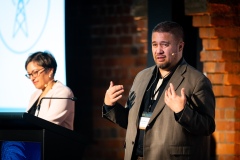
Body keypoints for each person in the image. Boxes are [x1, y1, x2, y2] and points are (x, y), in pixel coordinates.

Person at [102, 21, 215, 160]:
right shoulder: (141, 77)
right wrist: (110, 106)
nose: (158, 50)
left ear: (180, 46)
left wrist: (182, 111)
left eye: (165, 45)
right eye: (155, 44)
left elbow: (207, 127)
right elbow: (131, 122)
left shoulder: (197, 80)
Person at [1, 51, 75, 160]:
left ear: (50, 70)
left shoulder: (63, 92)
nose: (32, 78)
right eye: (29, 74)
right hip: (34, 145)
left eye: (35, 72)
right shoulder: (35, 95)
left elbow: (49, 124)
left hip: (54, 148)